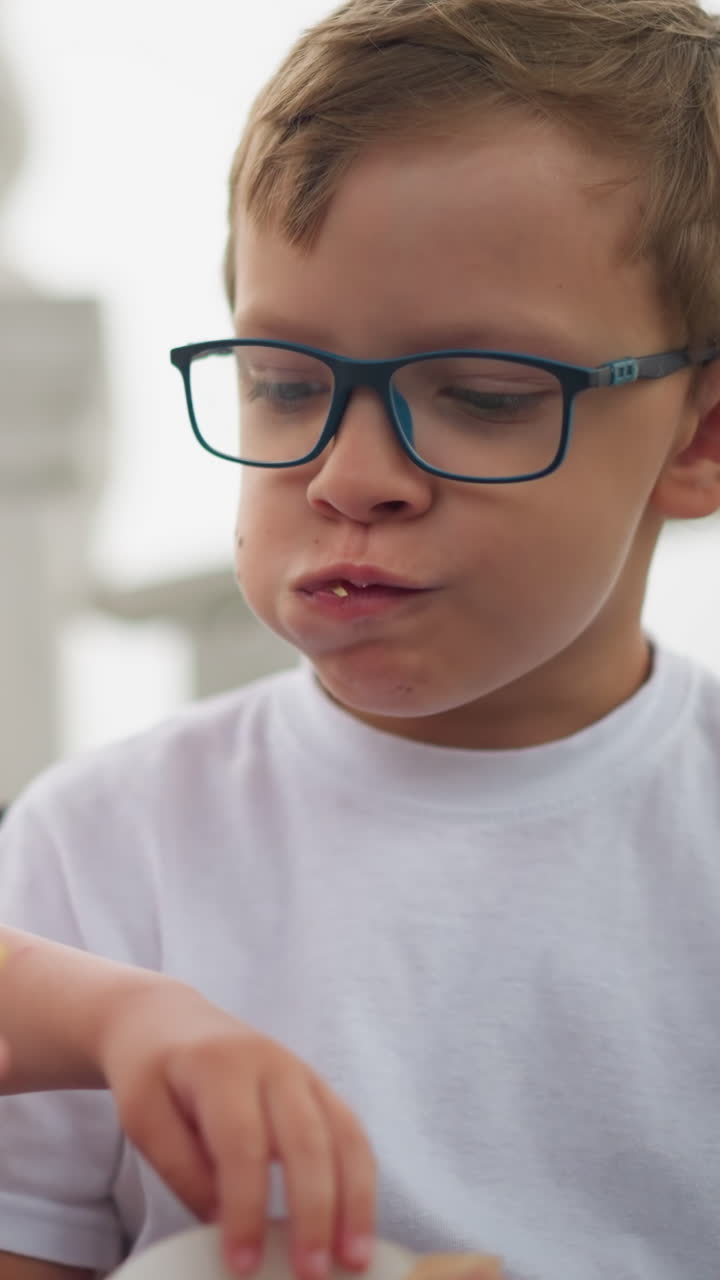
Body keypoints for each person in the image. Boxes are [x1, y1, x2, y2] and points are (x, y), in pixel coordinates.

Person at [2, 0, 720, 1276]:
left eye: (485, 396)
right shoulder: (98, 849)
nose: (350, 474)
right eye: (282, 382)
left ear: (700, 436)